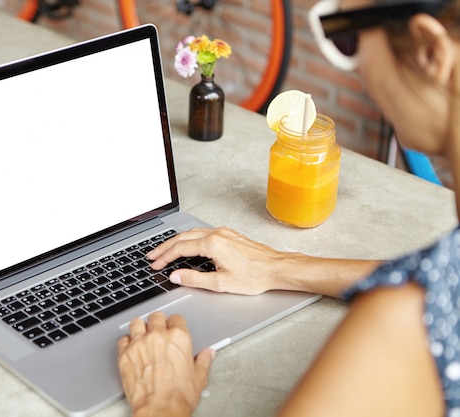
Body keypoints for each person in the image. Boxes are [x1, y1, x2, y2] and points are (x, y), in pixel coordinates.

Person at [117, 0, 460, 414]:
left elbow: (426, 288)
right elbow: (431, 271)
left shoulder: (406, 323)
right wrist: (279, 265)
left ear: (430, 51)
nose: (357, 72)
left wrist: (162, 401)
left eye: (345, 38)